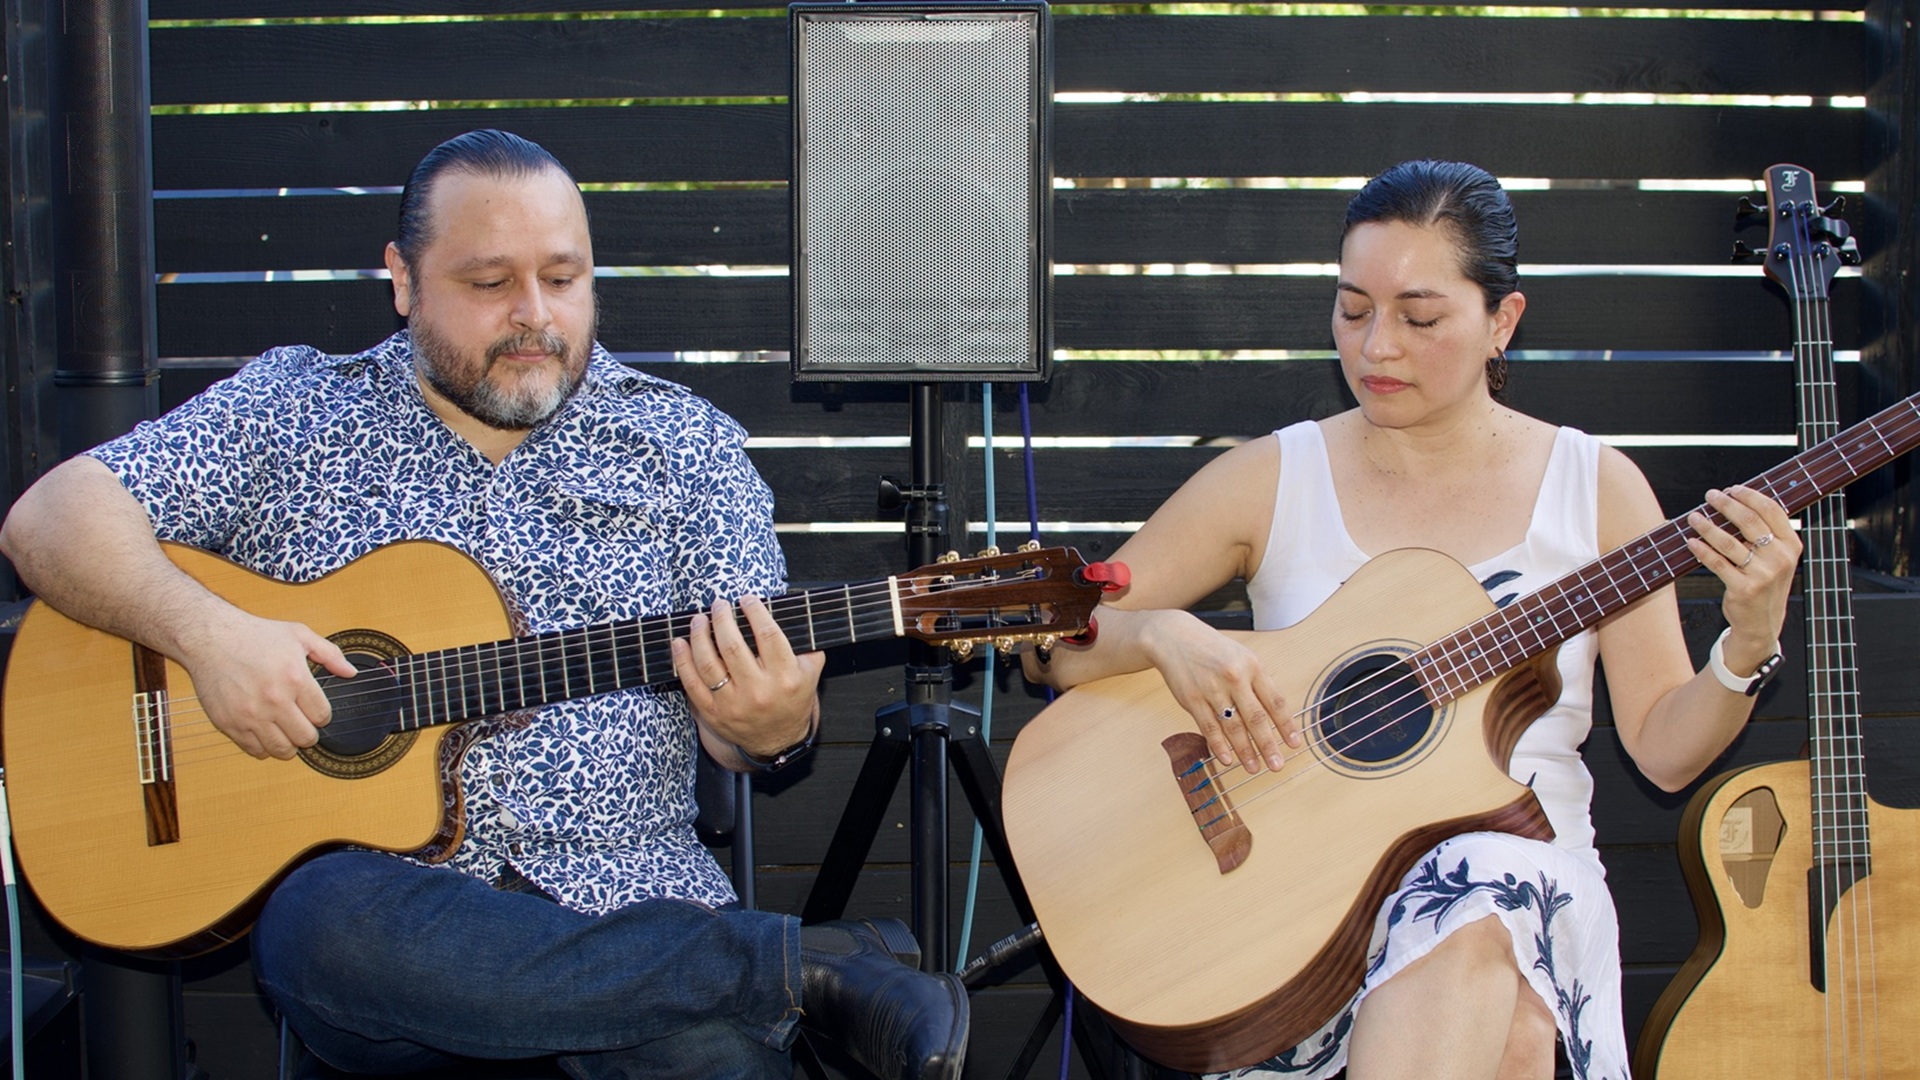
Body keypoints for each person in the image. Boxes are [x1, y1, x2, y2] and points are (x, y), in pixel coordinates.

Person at [0, 129, 967, 1080]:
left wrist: (771, 726)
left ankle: (747, 977)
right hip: (394, 942)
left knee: (701, 1048)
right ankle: (801, 968)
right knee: (314, 922)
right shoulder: (294, 412)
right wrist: (211, 638)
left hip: (629, 908)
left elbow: (750, 725)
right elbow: (48, 520)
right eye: (489, 283)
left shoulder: (682, 446)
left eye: (563, 276)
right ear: (402, 277)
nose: (535, 314)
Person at [1021, 160, 1799, 1080]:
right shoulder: (1272, 478)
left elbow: (1665, 749)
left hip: (1522, 874)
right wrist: (1155, 634)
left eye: (1419, 318)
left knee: (1477, 904)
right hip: (1292, 903)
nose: (1376, 346)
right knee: (1504, 1021)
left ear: (1502, 320)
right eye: (1353, 310)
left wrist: (1745, 646)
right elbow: (1050, 647)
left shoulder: (1595, 488)